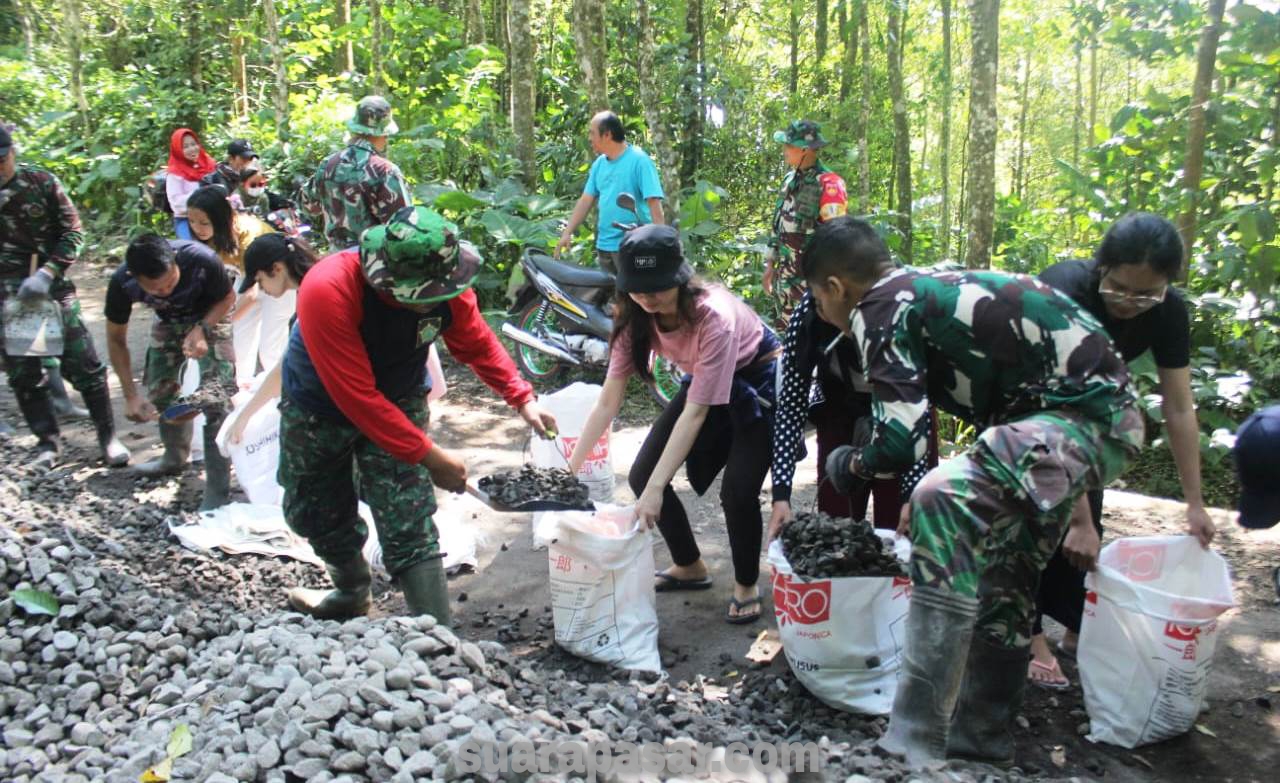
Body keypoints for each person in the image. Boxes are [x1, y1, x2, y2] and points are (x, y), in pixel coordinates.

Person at [806, 217, 1143, 766]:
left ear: (836, 287)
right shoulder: (921, 288)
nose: (822, 313)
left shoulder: (879, 308)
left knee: (941, 499)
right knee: (1004, 572)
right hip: (1093, 426)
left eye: (819, 300)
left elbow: (900, 441)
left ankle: (912, 741)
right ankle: (980, 743)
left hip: (1079, 423)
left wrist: (853, 464)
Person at [279, 206, 556, 623]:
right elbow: (356, 396)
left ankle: (437, 635)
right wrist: (430, 456)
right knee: (314, 508)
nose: (426, 304)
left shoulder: (449, 285)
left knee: (406, 510)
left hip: (400, 390)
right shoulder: (328, 288)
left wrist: (522, 397)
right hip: (320, 404)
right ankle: (351, 591)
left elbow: (476, 342)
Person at [1029, 213, 1216, 689]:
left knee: (1085, 533)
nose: (1131, 303)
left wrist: (1194, 503)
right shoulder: (1065, 292)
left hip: (1086, 406)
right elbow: (1049, 409)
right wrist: (1078, 519)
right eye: (1120, 289)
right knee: (1030, 516)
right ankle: (1026, 635)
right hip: (1023, 399)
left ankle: (1077, 628)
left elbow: (1178, 406)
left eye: (1147, 293)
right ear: (1101, 268)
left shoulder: (1168, 310)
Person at [566, 225, 779, 624]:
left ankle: (746, 583)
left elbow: (695, 414)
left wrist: (656, 492)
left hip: (756, 381)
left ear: (680, 278)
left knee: (738, 489)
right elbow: (608, 401)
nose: (649, 296)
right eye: (639, 288)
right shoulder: (633, 320)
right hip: (703, 378)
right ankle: (690, 566)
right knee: (643, 472)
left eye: (659, 287)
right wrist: (568, 470)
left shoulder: (713, 316)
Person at [0, 125, 129, 468]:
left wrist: (48, 272)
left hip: (48, 288)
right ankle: (48, 444)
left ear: (12, 152)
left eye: (2, 159)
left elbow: (72, 233)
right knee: (26, 372)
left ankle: (108, 438)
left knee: (83, 363)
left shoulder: (40, 183)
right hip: (11, 299)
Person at [768, 290, 934, 536]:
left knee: (903, 523)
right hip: (840, 407)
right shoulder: (810, 311)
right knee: (835, 525)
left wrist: (911, 496)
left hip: (902, 410)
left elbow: (917, 411)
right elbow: (791, 405)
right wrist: (781, 495)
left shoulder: (900, 306)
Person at [106, 234, 237, 510]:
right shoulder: (121, 282)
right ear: (135, 277)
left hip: (211, 314)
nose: (165, 290)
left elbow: (227, 297)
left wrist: (202, 329)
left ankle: (217, 487)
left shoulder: (201, 259)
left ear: (176, 262)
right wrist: (130, 396)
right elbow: (116, 340)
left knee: (218, 395)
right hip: (168, 320)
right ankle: (174, 457)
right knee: (160, 390)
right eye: (156, 289)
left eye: (170, 282)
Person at [225, 233, 318, 445]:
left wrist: (244, 416)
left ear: (276, 269)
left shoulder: (314, 295)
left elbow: (287, 367)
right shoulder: (309, 288)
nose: (261, 289)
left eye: (260, 280)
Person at [186, 185, 285, 383]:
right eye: (191, 221)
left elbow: (252, 294)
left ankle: (281, 394)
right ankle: (242, 387)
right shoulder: (209, 239)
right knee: (238, 339)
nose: (197, 228)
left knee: (271, 348)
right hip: (248, 277)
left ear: (223, 219)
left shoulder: (249, 235)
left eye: (204, 222)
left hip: (280, 280)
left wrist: (217, 322)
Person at [554, 112, 665, 274]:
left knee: (637, 297)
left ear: (607, 135)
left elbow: (654, 203)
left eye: (592, 133)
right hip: (605, 246)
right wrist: (567, 232)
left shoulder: (639, 160)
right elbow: (586, 200)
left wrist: (660, 244)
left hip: (635, 247)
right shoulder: (599, 164)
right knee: (611, 297)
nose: (589, 138)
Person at [300, 96, 411, 249]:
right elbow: (404, 228)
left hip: (336, 262)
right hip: (373, 264)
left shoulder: (328, 164)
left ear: (354, 129)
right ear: (383, 134)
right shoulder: (385, 171)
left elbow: (309, 206)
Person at [764, 120, 847, 312]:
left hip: (811, 290)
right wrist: (770, 264)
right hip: (783, 284)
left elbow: (837, 240)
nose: (784, 150)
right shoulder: (789, 180)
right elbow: (777, 225)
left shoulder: (829, 184)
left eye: (789, 145)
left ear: (804, 150)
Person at [164, 129, 216, 240]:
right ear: (178, 150)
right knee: (191, 249)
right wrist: (199, 194)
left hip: (211, 216)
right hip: (186, 219)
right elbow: (176, 203)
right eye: (185, 147)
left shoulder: (208, 163)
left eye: (193, 144)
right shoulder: (175, 174)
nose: (191, 149)